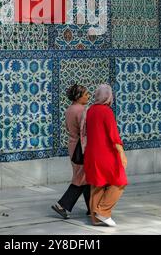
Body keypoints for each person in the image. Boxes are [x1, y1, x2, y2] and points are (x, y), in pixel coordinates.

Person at [83, 83, 128, 227]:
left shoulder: (90, 110)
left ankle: (95, 218)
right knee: (119, 181)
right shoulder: (106, 111)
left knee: (97, 184)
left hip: (92, 153)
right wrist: (122, 154)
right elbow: (113, 136)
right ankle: (103, 211)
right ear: (108, 97)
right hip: (105, 154)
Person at [51, 84, 90, 219]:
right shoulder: (82, 110)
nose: (88, 96)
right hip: (81, 147)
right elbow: (84, 131)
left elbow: (69, 128)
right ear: (79, 97)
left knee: (85, 176)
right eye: (86, 94)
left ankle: (93, 207)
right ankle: (62, 205)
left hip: (73, 145)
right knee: (80, 177)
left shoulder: (69, 109)